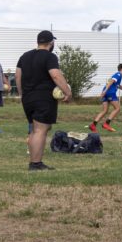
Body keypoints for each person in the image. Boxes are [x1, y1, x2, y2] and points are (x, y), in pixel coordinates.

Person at [15, 30, 72, 170]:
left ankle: (35, 162)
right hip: (43, 97)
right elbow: (56, 75)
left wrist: (23, 94)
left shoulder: (24, 56)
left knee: (35, 130)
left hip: (28, 98)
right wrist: (67, 92)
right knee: (40, 130)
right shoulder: (50, 56)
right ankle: (35, 163)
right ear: (51, 42)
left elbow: (18, 77)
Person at [89, 63, 122, 132]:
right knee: (117, 108)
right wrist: (105, 91)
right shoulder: (118, 74)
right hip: (110, 93)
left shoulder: (118, 76)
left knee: (105, 110)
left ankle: (93, 125)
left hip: (106, 92)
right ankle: (106, 124)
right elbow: (111, 81)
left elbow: (118, 86)